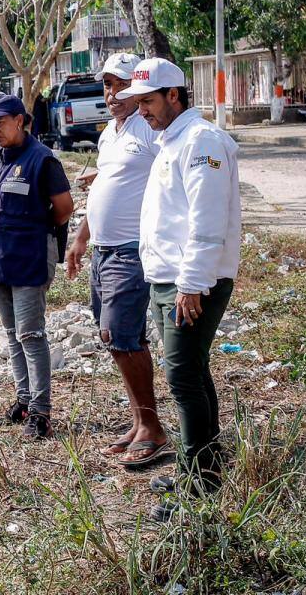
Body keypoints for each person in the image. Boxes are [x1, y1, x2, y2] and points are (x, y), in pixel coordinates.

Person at [116, 57, 241, 522]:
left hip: (192, 283)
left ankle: (198, 489)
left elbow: (206, 221)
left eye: (148, 101)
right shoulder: (173, 140)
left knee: (183, 378)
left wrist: (191, 284)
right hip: (169, 279)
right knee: (192, 373)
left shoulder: (202, 140)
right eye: (137, 102)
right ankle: (202, 465)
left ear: (174, 95)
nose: (141, 110)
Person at [65, 53, 170, 467]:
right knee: (117, 339)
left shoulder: (148, 128)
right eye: (107, 85)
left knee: (120, 334)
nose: (112, 94)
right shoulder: (110, 132)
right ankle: (140, 420)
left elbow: (169, 176)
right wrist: (80, 239)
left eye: (121, 85)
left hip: (132, 249)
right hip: (103, 250)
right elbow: (105, 191)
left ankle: (153, 428)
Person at [0, 94, 74, 440]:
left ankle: (42, 412)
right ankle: (24, 400)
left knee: (30, 334)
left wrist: (35, 232)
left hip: (29, 258)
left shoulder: (42, 160)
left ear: (20, 120)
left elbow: (63, 208)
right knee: (12, 336)